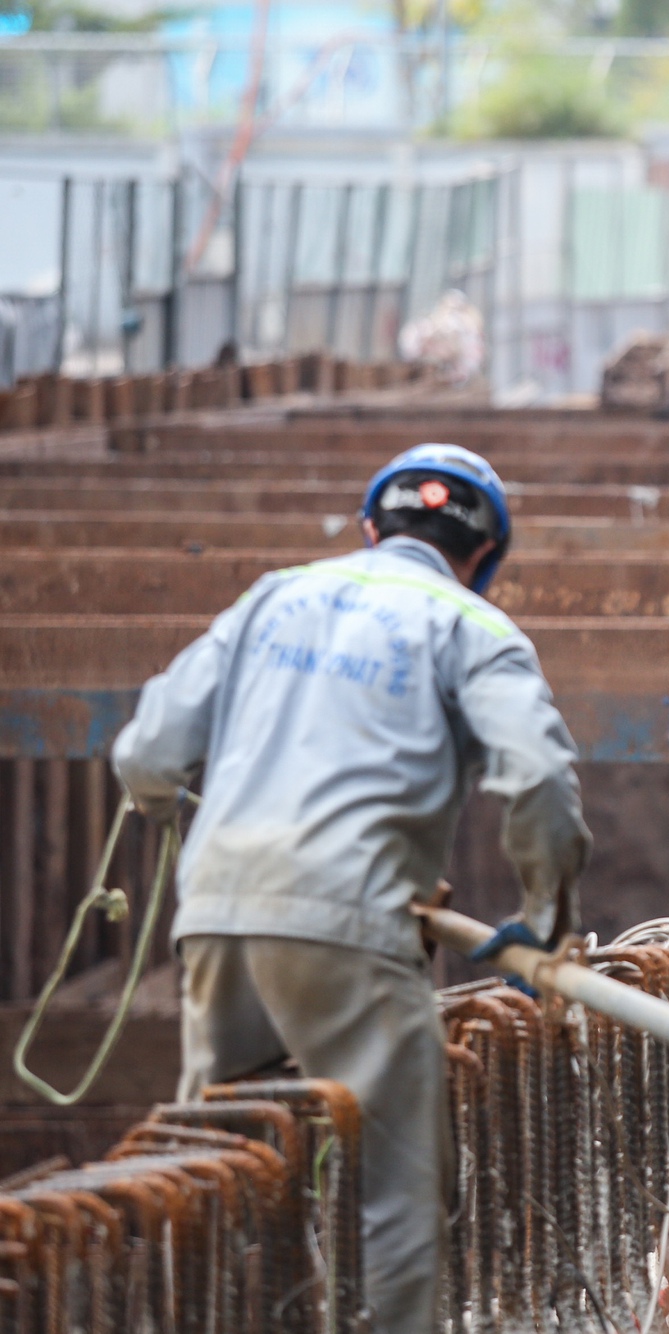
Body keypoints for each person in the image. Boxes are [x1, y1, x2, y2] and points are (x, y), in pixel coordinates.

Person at [112, 443, 592, 1334]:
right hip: (352, 931)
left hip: (215, 916)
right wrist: (542, 926)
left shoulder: (273, 596)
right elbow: (538, 784)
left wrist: (212, 825)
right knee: (395, 1198)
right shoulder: (474, 626)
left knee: (224, 1168)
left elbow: (145, 753)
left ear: (371, 527)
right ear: (484, 557)